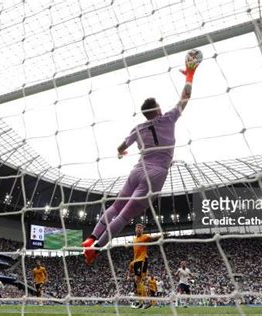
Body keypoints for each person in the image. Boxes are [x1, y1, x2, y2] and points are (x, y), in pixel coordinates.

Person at [82, 57, 200, 264]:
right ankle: (96, 248)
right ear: (157, 110)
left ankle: (91, 237)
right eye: (159, 105)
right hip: (155, 173)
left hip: (137, 170)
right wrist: (190, 74)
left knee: (116, 207)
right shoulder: (168, 119)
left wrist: (121, 153)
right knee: (125, 215)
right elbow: (185, 97)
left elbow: (121, 146)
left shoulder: (138, 128)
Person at [125, 224, 164, 309]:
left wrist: (162, 235)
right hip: (136, 261)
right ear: (135, 229)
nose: (139, 229)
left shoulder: (144, 237)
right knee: (137, 281)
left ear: (142, 230)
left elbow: (153, 237)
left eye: (140, 228)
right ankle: (141, 302)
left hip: (142, 260)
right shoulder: (135, 239)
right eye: (137, 227)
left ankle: (145, 302)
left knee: (138, 281)